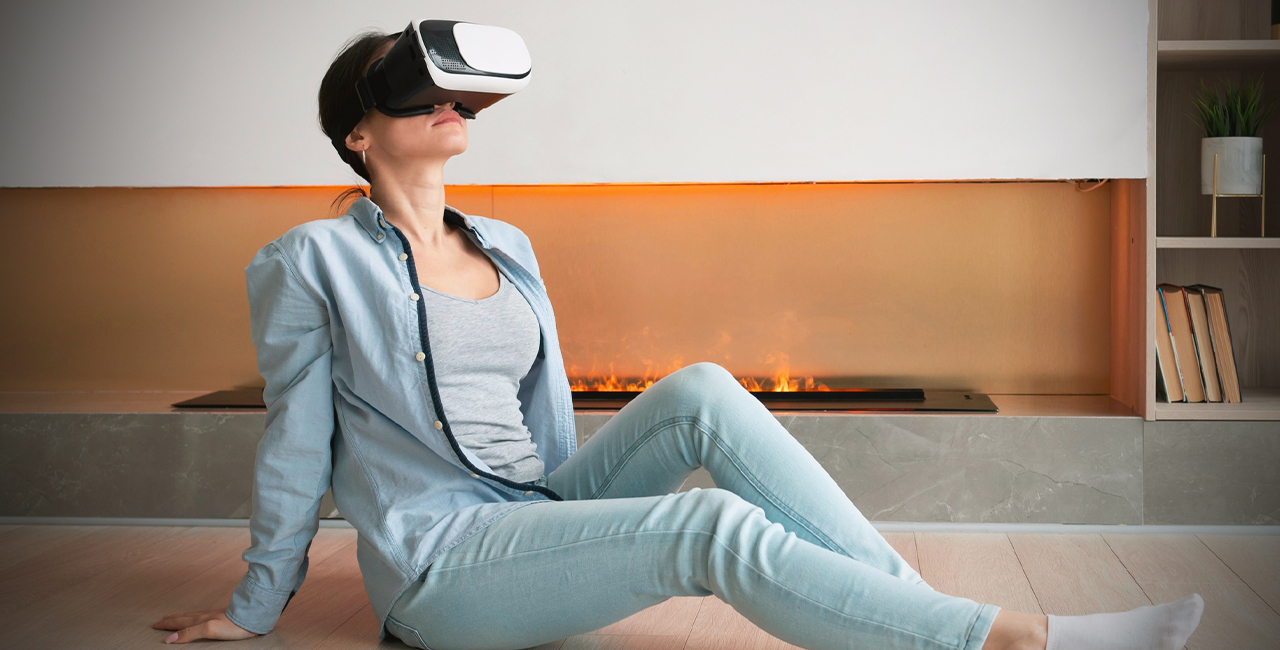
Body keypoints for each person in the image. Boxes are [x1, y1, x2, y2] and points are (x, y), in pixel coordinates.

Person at [152, 28, 1204, 650]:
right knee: (704, 525)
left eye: (445, 87)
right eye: (406, 89)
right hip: (444, 562)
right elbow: (293, 435)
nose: (443, 101)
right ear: (358, 131)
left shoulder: (505, 242)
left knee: (699, 384)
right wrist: (255, 604)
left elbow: (539, 414)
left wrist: (569, 516)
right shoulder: (306, 260)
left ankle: (916, 616)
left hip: (535, 510)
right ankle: (1010, 639)